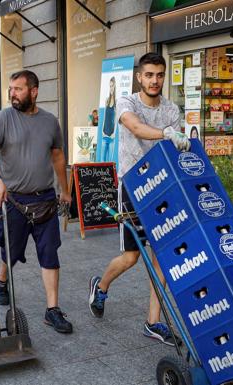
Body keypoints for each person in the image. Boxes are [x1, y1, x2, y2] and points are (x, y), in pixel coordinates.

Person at [88, 52, 190, 346]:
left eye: (159, 75)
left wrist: (179, 140)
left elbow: (174, 147)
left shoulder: (171, 109)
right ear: (139, 77)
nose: (154, 80)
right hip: (133, 188)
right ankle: (101, 285)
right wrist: (166, 133)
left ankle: (153, 322)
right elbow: (134, 126)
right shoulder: (127, 103)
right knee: (132, 257)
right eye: (149, 75)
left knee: (161, 258)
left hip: (163, 189)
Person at [0, 70, 73, 334]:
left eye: (18, 89)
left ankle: (52, 310)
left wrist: (64, 191)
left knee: (49, 252)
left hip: (45, 199)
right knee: (12, 250)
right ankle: (1, 279)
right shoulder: (4, 118)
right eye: (11, 89)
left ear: (34, 91)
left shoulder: (50, 121)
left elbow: (57, 157)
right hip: (13, 200)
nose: (12, 94)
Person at [101, 77, 116, 161]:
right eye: (110, 86)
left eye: (112, 86)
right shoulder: (106, 100)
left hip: (111, 135)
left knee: (110, 161)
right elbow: (104, 117)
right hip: (105, 134)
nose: (111, 88)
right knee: (102, 160)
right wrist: (102, 131)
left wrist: (114, 133)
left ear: (115, 86)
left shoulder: (116, 102)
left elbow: (116, 119)